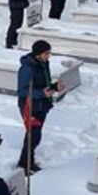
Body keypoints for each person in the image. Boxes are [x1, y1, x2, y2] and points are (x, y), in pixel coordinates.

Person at [17, 40, 63, 172]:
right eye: (46, 53)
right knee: (33, 135)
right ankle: (24, 163)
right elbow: (22, 91)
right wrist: (41, 93)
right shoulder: (27, 68)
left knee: (35, 135)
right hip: (30, 106)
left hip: (42, 105)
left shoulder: (43, 64)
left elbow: (43, 84)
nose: (49, 56)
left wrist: (54, 87)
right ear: (38, 54)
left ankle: (28, 161)